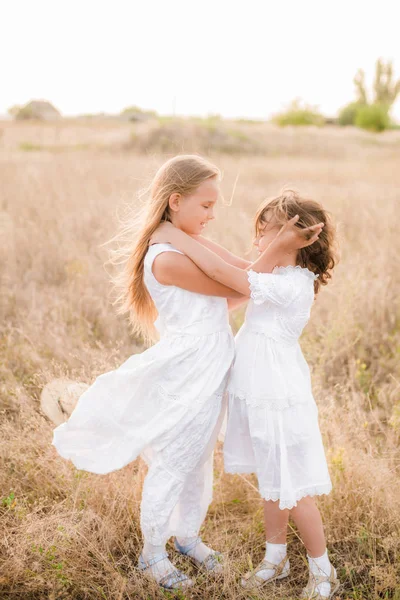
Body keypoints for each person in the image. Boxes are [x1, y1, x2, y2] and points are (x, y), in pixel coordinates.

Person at [150, 189, 339, 599]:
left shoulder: (291, 284)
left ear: (295, 240)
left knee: (295, 486)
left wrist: (178, 239)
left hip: (278, 396)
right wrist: (178, 235)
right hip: (258, 393)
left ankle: (323, 570)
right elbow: (230, 262)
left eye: (264, 235)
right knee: (272, 480)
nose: (255, 244)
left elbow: (230, 276)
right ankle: (275, 558)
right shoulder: (273, 274)